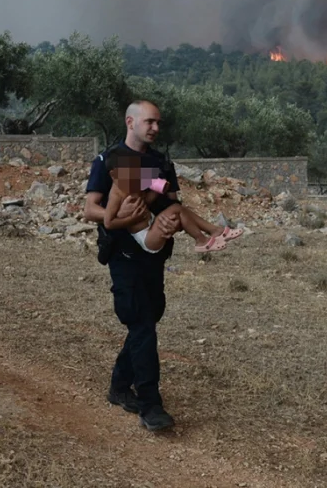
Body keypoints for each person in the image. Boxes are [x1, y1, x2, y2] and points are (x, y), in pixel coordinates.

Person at [83, 100, 197, 432]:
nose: (155, 128)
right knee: (142, 323)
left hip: (155, 253)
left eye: (158, 123)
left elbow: (173, 200)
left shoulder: (161, 163)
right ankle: (150, 404)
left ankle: (119, 387)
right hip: (123, 257)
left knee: (148, 319)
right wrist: (119, 219)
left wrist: (162, 213)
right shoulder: (109, 161)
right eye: (149, 122)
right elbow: (90, 208)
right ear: (130, 121)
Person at [102, 147, 241, 254]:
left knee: (179, 209)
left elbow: (151, 196)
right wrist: (131, 219)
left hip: (152, 222)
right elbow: (108, 223)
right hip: (147, 238)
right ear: (114, 175)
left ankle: (215, 230)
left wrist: (157, 186)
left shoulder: (133, 180)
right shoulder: (116, 194)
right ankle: (201, 240)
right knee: (175, 209)